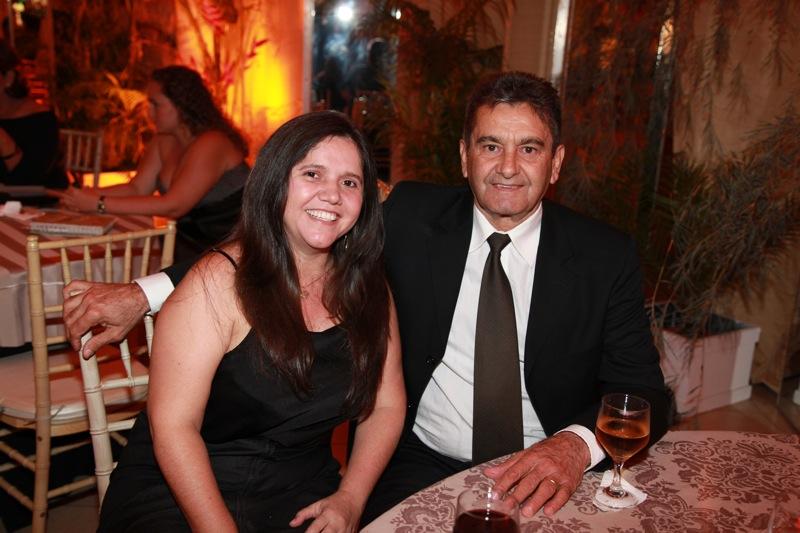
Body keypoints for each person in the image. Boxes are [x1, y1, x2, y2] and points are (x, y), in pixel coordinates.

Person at [64, 72, 668, 523]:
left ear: (556, 162)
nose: (507, 167)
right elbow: (275, 240)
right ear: (464, 157)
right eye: (490, 145)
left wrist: (573, 447)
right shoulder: (410, 215)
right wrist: (144, 292)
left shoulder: (604, 255)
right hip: (420, 461)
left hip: (544, 465)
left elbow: (645, 393)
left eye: (529, 148)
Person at [93, 111, 405, 532]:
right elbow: (174, 428)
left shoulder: (369, 288)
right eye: (312, 174)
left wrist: (351, 497)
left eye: (350, 182)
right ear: (275, 182)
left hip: (300, 491)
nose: (332, 194)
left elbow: (386, 405)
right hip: (184, 489)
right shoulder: (217, 282)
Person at [57, 65, 249, 262]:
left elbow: (174, 206)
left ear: (181, 105)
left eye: (155, 104)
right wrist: (87, 195)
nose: (148, 111)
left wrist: (98, 204)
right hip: (185, 246)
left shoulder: (213, 142)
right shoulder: (163, 139)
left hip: (229, 251)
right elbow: (137, 188)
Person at [0, 39, 67, 189]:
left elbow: (30, 181)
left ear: (8, 78)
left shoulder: (41, 121)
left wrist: (3, 141)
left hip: (37, 201)